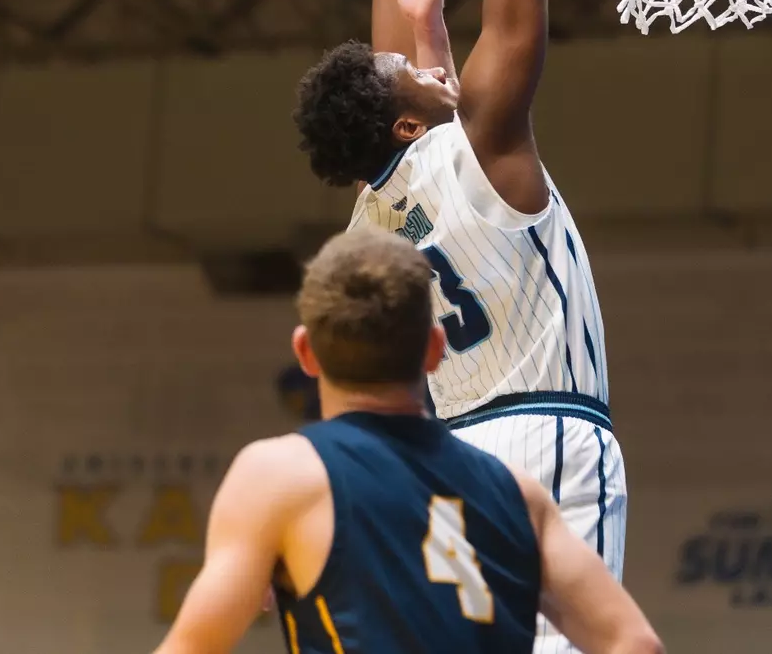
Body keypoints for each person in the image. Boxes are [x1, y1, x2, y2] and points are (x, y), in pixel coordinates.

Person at [291, 0, 624, 654]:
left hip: (452, 457)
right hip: (553, 441)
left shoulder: (369, 220)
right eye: (415, 70)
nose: (427, 57)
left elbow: (394, 45)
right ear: (408, 112)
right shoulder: (478, 133)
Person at [153, 228, 661, 654]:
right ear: (436, 350)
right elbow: (635, 644)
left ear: (305, 354)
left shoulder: (279, 477)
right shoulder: (521, 497)